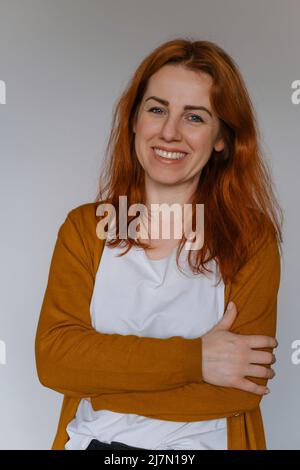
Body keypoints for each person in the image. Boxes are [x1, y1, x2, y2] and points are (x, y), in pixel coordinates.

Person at [35, 38, 283, 450]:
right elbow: (55, 361)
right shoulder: (85, 229)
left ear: (222, 137)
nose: (170, 132)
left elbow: (241, 387)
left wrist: (102, 376)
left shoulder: (250, 238)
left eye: (195, 117)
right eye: (157, 109)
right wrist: (197, 360)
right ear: (134, 120)